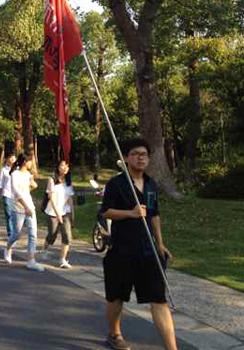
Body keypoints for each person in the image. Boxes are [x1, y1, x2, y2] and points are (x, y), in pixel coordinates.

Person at [101, 138, 176, 350]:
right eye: (135, 154)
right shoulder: (116, 184)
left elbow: (154, 215)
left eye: (144, 154)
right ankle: (114, 334)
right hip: (121, 250)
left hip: (148, 251)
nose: (141, 158)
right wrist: (130, 213)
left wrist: (160, 244)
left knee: (159, 299)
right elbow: (106, 212)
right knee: (116, 298)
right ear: (126, 158)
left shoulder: (151, 184)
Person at [4, 153, 44, 272]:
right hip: (18, 208)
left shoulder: (28, 174)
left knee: (33, 235)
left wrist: (32, 184)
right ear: (25, 162)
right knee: (16, 235)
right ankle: (8, 249)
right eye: (30, 161)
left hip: (30, 207)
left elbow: (32, 186)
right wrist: (26, 207)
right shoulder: (14, 174)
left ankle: (31, 261)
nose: (32, 163)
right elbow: (16, 193)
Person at [42, 160, 75, 268]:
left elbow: (69, 198)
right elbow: (51, 199)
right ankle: (44, 249)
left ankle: (62, 259)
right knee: (52, 234)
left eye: (67, 166)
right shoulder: (52, 180)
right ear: (58, 167)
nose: (65, 167)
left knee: (67, 236)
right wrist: (58, 215)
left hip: (65, 212)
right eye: (62, 165)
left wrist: (72, 213)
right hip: (52, 212)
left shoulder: (68, 181)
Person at [0, 153, 16, 238]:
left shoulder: (18, 170)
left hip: (16, 196)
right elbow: (0, 184)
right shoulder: (4, 170)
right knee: (9, 214)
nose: (13, 160)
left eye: (14, 159)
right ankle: (10, 233)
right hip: (6, 194)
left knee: (15, 215)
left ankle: (15, 231)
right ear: (7, 160)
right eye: (11, 158)